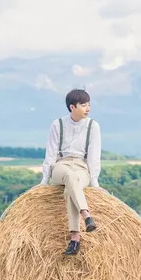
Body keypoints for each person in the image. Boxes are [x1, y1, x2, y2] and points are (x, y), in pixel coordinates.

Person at [39, 89, 102, 255]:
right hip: (62, 165)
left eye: (89, 104)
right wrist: (45, 179)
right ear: (72, 107)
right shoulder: (57, 124)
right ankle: (85, 214)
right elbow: (51, 153)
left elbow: (94, 156)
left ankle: (75, 239)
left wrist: (94, 182)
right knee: (69, 176)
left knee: (70, 188)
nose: (88, 108)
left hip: (82, 167)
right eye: (83, 105)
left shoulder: (93, 126)